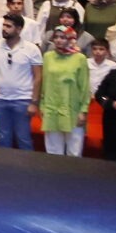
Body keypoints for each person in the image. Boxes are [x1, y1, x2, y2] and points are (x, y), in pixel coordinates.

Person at [0, 13, 42, 150]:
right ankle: (4, 164)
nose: (4, 29)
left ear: (19, 29)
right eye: (3, 25)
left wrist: (34, 102)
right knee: (2, 137)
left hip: (22, 100)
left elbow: (38, 77)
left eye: (8, 26)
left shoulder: (31, 49)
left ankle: (26, 164)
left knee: (23, 138)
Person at [39, 27, 92, 156]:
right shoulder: (48, 56)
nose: (58, 40)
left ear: (70, 39)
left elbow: (84, 87)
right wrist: (42, 105)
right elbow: (44, 82)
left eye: (62, 37)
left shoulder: (80, 58)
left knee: (74, 152)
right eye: (56, 37)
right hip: (51, 108)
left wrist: (83, 111)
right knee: (53, 151)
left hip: (73, 110)